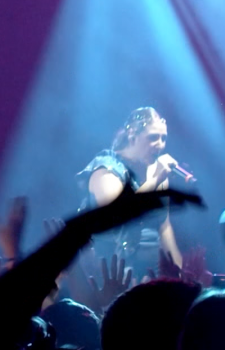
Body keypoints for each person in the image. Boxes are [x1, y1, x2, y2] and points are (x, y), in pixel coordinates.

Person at [77, 107, 186, 279]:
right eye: (153, 138)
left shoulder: (157, 173)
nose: (160, 145)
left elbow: (164, 227)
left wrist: (179, 272)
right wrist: (155, 179)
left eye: (163, 138)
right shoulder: (106, 169)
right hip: (108, 275)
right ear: (132, 136)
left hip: (149, 275)